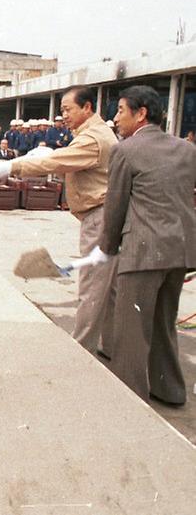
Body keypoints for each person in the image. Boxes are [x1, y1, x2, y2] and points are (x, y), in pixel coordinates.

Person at [0, 86, 119, 355]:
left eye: (67, 110)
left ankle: (80, 350)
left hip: (99, 216)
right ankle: (110, 346)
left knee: (93, 287)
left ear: (87, 108)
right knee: (107, 290)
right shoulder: (90, 134)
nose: (63, 116)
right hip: (102, 213)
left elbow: (56, 162)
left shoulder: (93, 138)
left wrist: (13, 166)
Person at [97, 85, 196, 405]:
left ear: (141, 113)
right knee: (164, 323)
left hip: (142, 250)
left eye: (121, 111)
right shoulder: (186, 149)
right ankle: (169, 390)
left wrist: (107, 248)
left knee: (132, 329)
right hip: (178, 252)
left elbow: (115, 206)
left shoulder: (125, 151)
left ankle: (130, 398)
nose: (116, 118)